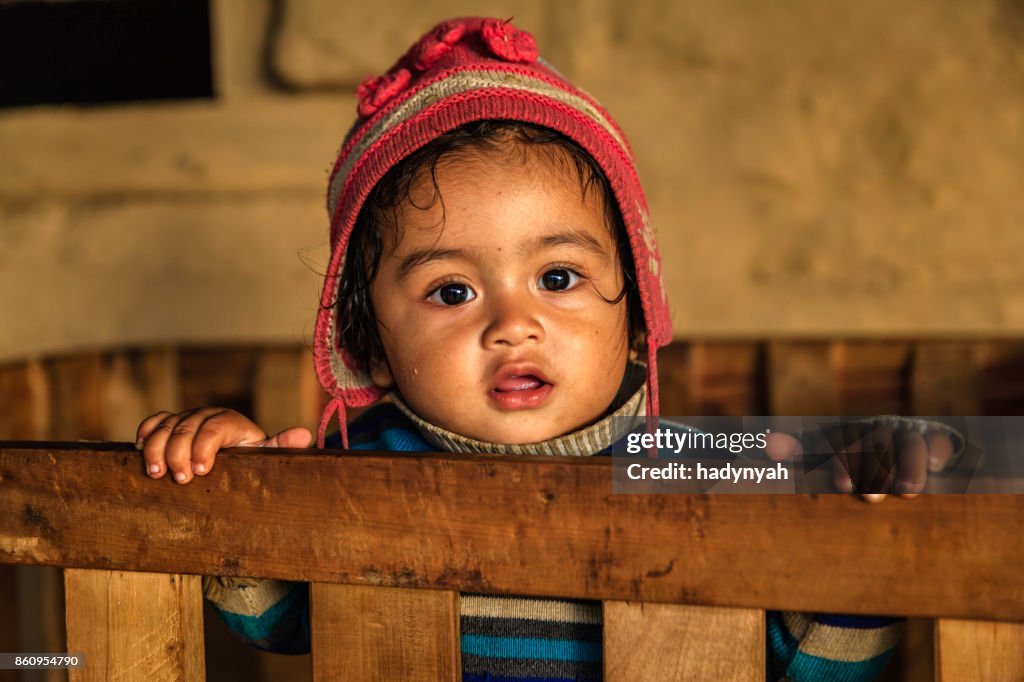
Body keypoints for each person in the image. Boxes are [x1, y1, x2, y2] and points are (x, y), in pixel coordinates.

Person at [135, 17, 962, 681]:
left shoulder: (710, 462)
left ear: (637, 313)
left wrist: (863, 526)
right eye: (452, 292)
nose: (512, 324)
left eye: (559, 277)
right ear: (372, 348)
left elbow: (822, 664)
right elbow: (273, 622)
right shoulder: (356, 473)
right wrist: (231, 490)